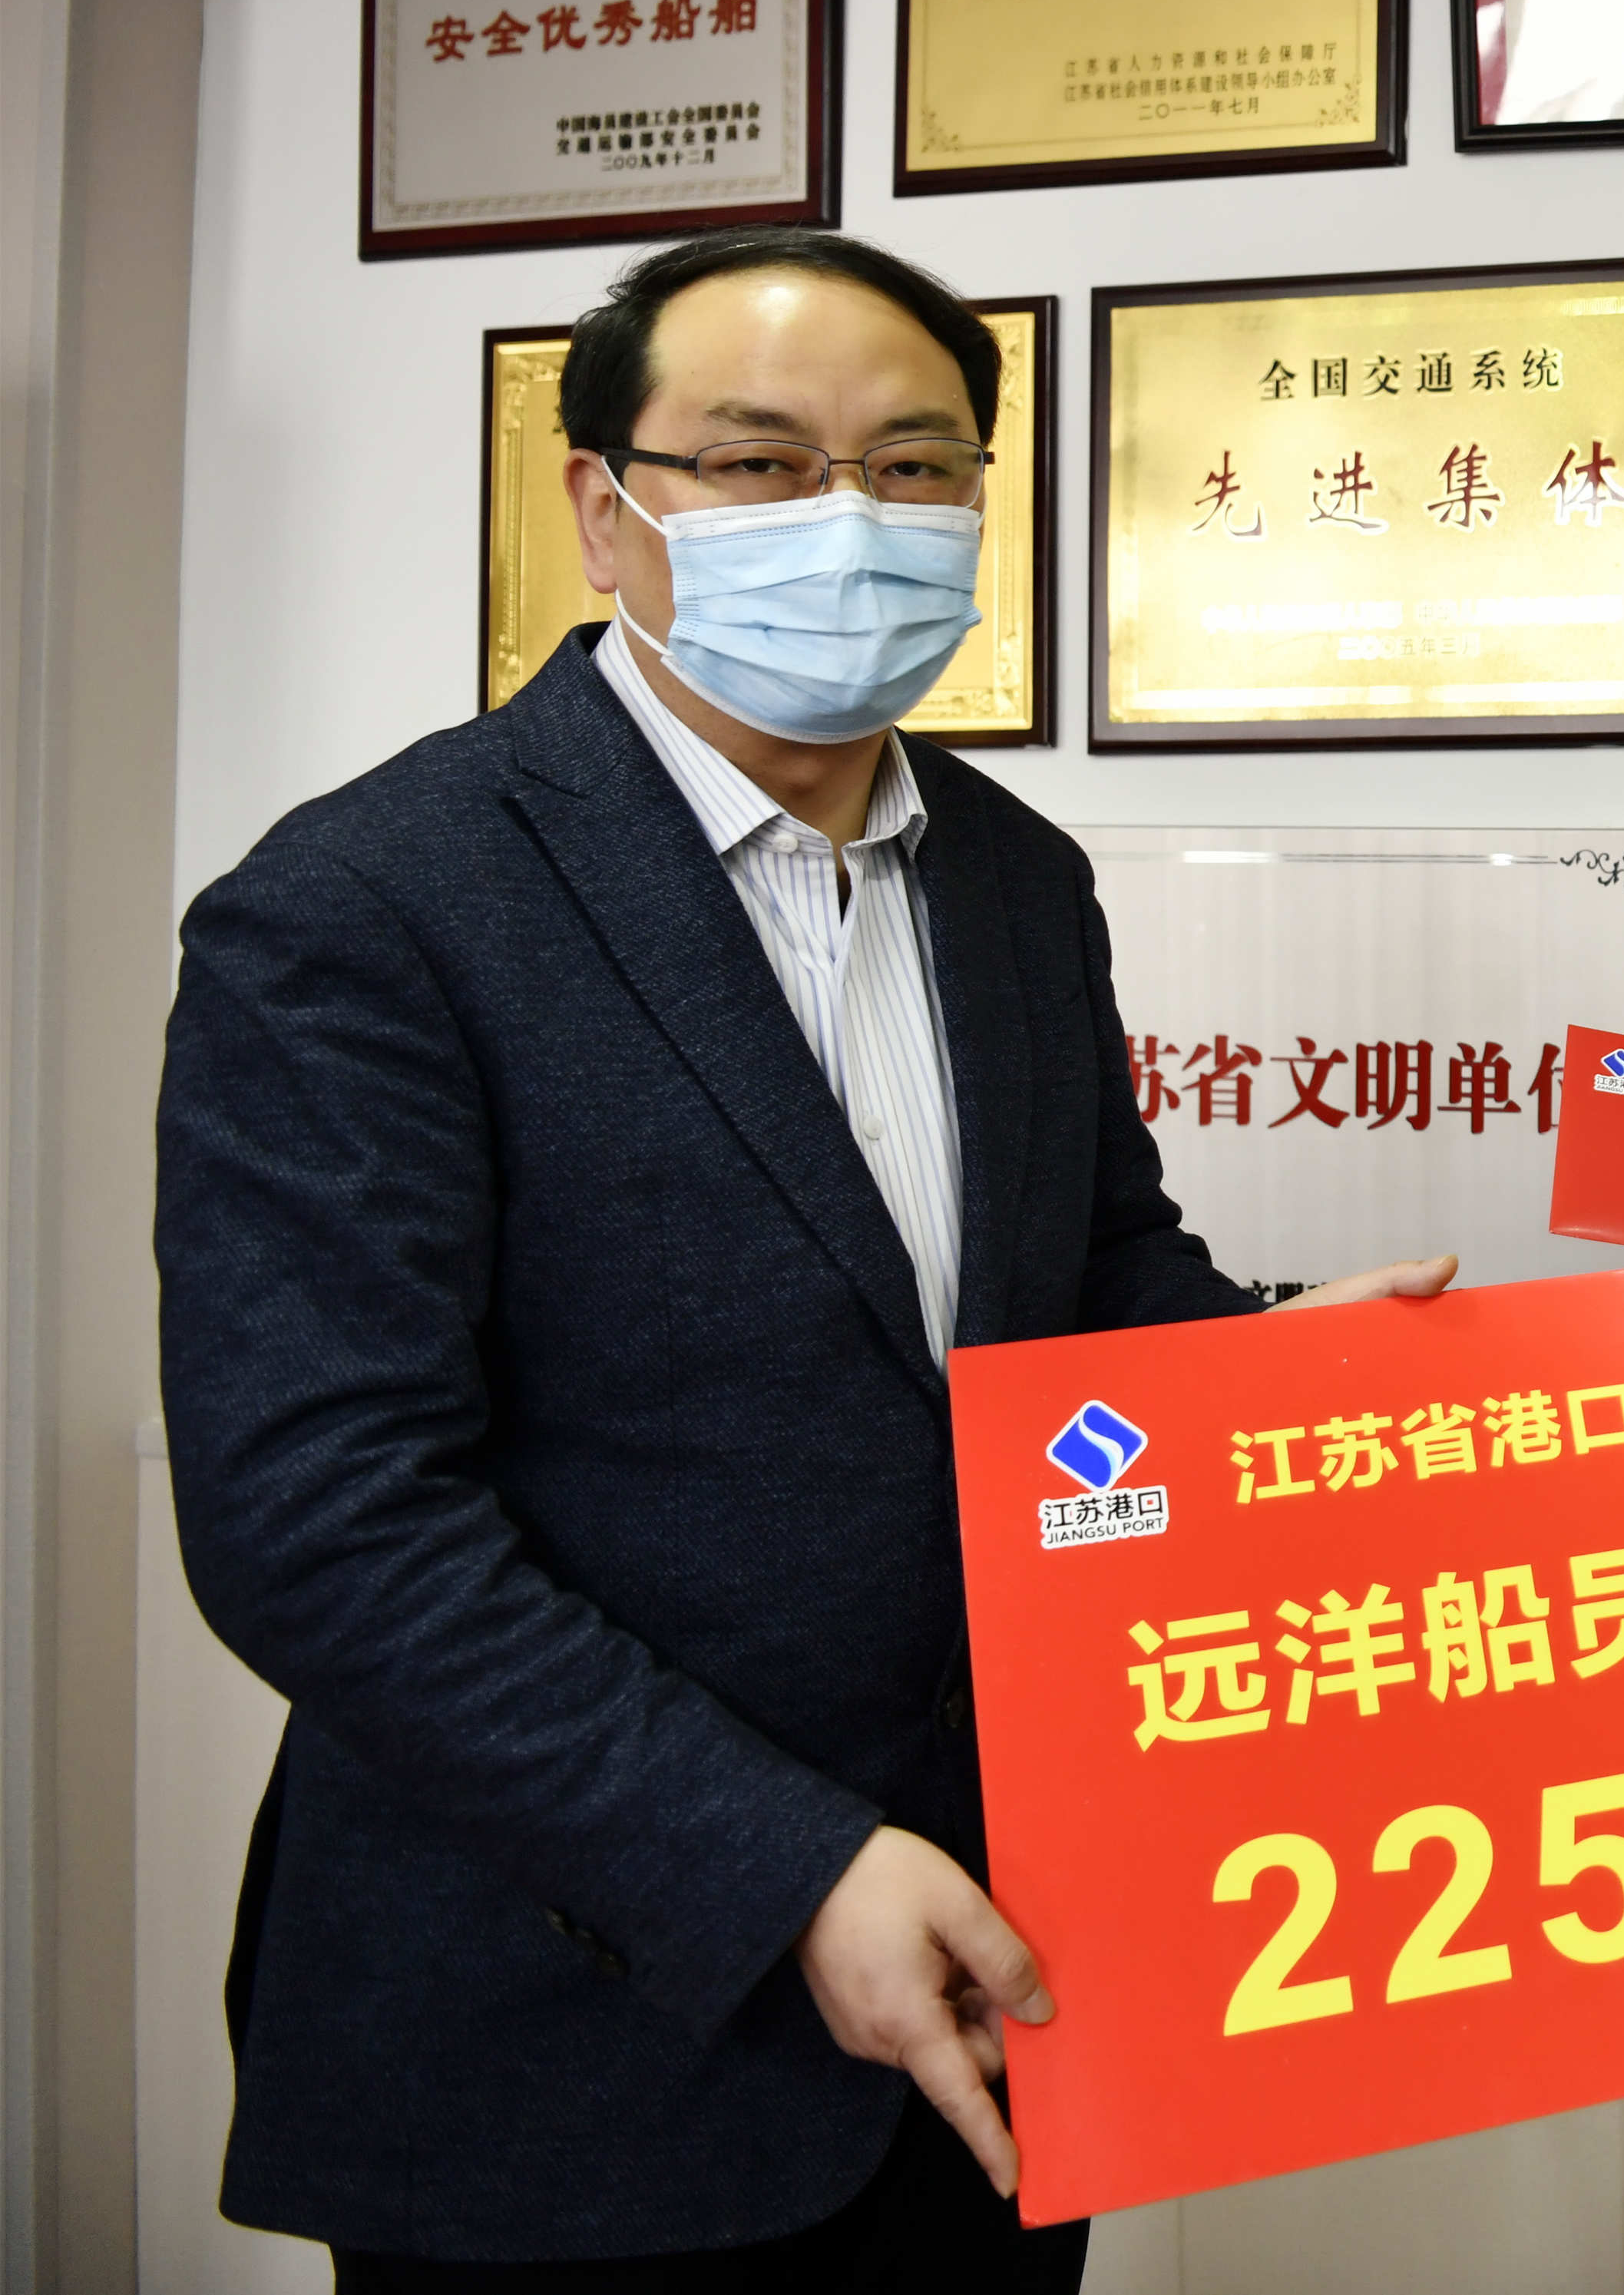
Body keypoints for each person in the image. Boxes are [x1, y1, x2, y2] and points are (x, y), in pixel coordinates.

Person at [155, 227, 1453, 2287]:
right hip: (566, 2041)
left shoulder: (1014, 878)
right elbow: (318, 1520)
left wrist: (1261, 1375)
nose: (849, 519)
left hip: (996, 1995)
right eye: (761, 462)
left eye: (914, 466)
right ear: (606, 508)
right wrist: (783, 1868)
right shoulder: (369, 903)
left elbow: (1087, 1281)